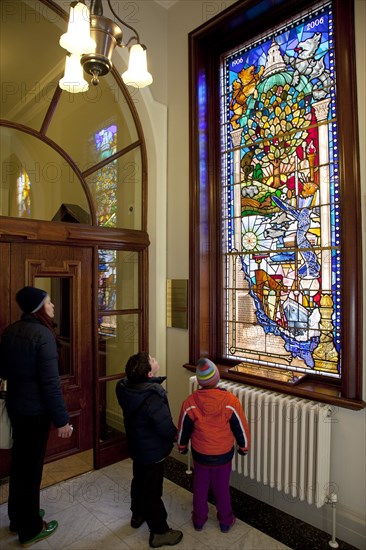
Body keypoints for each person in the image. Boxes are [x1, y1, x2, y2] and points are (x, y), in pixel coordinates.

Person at [0, 286, 73, 548]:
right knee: (31, 471)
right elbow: (50, 384)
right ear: (39, 307)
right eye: (49, 302)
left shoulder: (11, 331)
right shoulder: (43, 335)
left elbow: (4, 371)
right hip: (35, 414)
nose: (53, 306)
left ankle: (18, 518)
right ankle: (30, 529)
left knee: (19, 466)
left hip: (16, 409)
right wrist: (63, 420)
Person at [116, 352, 183, 548]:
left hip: (137, 446)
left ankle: (137, 514)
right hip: (152, 451)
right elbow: (163, 425)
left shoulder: (124, 387)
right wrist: (176, 436)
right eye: (152, 360)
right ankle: (159, 532)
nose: (155, 359)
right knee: (152, 490)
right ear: (148, 374)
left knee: (139, 481)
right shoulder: (152, 395)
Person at [177, 357, 250, 533]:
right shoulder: (230, 401)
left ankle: (199, 520)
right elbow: (241, 427)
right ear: (217, 379)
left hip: (200, 455)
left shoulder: (190, 402)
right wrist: (243, 447)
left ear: (200, 382)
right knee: (222, 488)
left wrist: (182, 447)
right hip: (223, 455)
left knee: (200, 488)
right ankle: (226, 520)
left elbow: (183, 429)